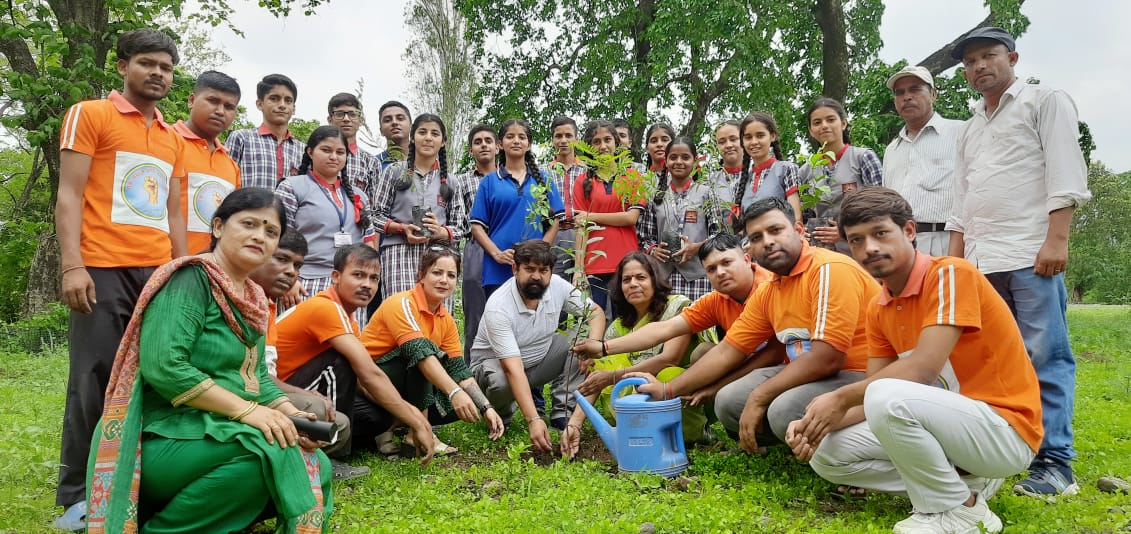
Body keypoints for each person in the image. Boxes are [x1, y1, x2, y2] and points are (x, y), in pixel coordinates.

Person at [787, 187, 1042, 534]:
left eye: (880, 233)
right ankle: (962, 488)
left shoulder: (951, 274)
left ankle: (961, 512)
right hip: (950, 433)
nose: (870, 248)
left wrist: (838, 397)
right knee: (827, 454)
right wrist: (816, 425)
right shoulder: (878, 308)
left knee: (886, 394)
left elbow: (921, 371)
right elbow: (871, 400)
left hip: (1003, 431)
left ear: (909, 231)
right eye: (857, 240)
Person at [85, 187, 332, 533]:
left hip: (221, 429)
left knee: (313, 461)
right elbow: (165, 366)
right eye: (249, 223)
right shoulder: (190, 279)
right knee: (260, 458)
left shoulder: (254, 297)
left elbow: (256, 375)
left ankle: (221, 516)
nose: (259, 236)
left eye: (270, 231)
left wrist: (290, 415)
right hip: (165, 433)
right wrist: (248, 411)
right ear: (218, 227)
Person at [947, 26, 1091, 498]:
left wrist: (1057, 240)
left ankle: (1055, 465)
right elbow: (962, 199)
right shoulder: (970, 126)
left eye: (988, 57)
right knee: (992, 361)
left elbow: (1066, 171)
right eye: (970, 62)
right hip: (981, 259)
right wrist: (955, 263)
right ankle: (1006, 450)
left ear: (1012, 57)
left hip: (1030, 254)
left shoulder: (1044, 100)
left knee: (1044, 356)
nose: (979, 68)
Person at [53, 28, 188, 530]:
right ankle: (78, 496)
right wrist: (72, 264)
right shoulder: (91, 115)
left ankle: (131, 481)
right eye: (147, 63)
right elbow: (69, 194)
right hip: (102, 266)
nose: (157, 73)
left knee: (152, 377)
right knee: (94, 377)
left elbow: (174, 213)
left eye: (166, 67)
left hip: (156, 273)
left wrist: (179, 271)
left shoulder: (173, 137)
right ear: (122, 66)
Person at [630, 197, 880, 454]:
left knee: (784, 409)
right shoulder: (771, 288)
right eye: (757, 237)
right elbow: (728, 350)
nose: (768, 242)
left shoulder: (828, 270)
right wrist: (668, 389)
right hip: (810, 372)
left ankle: (858, 445)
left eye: (776, 230)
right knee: (729, 401)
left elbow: (827, 358)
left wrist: (760, 397)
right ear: (751, 248)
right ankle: (798, 441)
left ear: (798, 230)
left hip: (859, 374)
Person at [275, 244, 436, 472]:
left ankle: (339, 438)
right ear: (336, 277)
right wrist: (417, 420)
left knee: (378, 416)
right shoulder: (325, 308)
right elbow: (369, 374)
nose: (366, 285)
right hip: (279, 393)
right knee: (340, 361)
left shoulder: (349, 320)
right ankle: (328, 457)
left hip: (301, 387)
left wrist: (402, 413)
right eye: (358, 275)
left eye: (373, 278)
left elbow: (362, 383)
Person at [571, 234, 774, 403]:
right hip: (744, 359)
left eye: (727, 263)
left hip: (786, 364)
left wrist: (670, 389)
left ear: (747, 259)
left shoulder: (770, 289)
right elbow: (664, 329)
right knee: (705, 357)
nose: (720, 272)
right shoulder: (716, 300)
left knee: (708, 382)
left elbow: (769, 352)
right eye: (711, 269)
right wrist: (603, 348)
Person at [356, 242, 504, 454]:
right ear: (421, 276)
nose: (444, 280)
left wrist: (486, 407)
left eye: (451, 275)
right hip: (368, 382)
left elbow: (459, 369)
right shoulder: (401, 303)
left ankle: (394, 425)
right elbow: (417, 351)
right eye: (437, 273)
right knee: (423, 351)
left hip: (402, 383)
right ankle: (419, 432)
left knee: (466, 400)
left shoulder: (447, 320)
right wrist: (453, 392)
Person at [249, 230, 367, 478]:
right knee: (326, 410)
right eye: (281, 260)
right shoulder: (324, 307)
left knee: (345, 422)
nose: (291, 272)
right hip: (247, 398)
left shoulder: (267, 303)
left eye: (297, 266)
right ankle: (328, 459)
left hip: (270, 388)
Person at [562, 252, 706, 454]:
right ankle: (634, 429)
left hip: (676, 396)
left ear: (654, 281)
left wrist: (612, 377)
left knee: (668, 376)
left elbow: (669, 359)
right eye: (626, 279)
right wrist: (574, 423)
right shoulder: (619, 327)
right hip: (635, 409)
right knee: (603, 361)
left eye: (641, 277)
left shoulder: (677, 307)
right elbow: (597, 377)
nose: (633, 284)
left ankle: (694, 433)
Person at [471, 240, 606, 449]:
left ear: (551, 272)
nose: (536, 276)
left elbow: (594, 312)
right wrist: (533, 420)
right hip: (496, 367)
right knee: (500, 380)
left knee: (583, 340)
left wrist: (594, 345)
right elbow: (512, 369)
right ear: (515, 269)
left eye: (543, 270)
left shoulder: (558, 286)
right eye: (529, 269)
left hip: (538, 359)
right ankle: (501, 415)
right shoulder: (498, 306)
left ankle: (563, 413)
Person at [275, 126, 377, 325]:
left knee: (348, 348)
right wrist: (288, 280)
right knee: (306, 349)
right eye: (326, 150)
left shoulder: (359, 195)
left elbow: (369, 243)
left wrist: (368, 281)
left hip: (350, 285)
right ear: (310, 151)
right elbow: (278, 236)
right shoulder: (292, 187)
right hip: (305, 283)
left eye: (340, 152)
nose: (334, 157)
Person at [372, 113, 469, 301]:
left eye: (435, 134)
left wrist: (441, 231)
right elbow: (375, 215)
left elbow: (461, 227)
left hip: (439, 255)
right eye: (422, 132)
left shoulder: (451, 181)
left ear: (443, 142)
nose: (428, 138)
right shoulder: (394, 172)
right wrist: (401, 228)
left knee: (435, 313)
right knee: (401, 309)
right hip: (399, 252)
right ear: (413, 138)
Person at [470, 118, 563, 297]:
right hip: (498, 269)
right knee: (500, 321)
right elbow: (476, 226)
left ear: (528, 145)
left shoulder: (544, 180)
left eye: (522, 137)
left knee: (535, 320)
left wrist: (540, 253)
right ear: (501, 144)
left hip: (534, 269)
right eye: (510, 137)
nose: (516, 141)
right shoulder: (489, 182)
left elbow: (555, 222)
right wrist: (497, 254)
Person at [882, 65, 963, 256]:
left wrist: (957, 254)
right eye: (899, 92)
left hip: (946, 241)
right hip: (901, 244)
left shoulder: (960, 132)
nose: (907, 97)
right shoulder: (892, 149)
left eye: (915, 89)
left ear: (933, 94)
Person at [573, 119, 646, 313]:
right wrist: (579, 269)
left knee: (626, 319)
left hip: (626, 261)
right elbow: (581, 226)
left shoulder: (632, 177)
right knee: (592, 319)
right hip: (593, 262)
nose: (603, 146)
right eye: (596, 142)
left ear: (616, 143)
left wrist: (591, 216)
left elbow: (631, 218)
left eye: (607, 140)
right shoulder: (582, 181)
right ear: (589, 147)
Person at [637, 137, 718, 302]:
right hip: (664, 276)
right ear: (665, 161)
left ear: (695, 161)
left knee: (699, 323)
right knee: (667, 322)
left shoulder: (706, 193)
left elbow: (718, 234)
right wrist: (653, 249)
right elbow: (644, 236)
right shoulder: (656, 195)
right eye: (673, 157)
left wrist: (696, 247)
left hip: (699, 274)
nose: (679, 162)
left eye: (685, 157)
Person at [797, 98, 883, 252]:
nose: (824, 126)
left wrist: (846, 233)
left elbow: (880, 208)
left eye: (830, 120)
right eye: (817, 122)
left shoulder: (863, 158)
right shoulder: (805, 170)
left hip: (862, 251)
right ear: (810, 130)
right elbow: (803, 215)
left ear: (843, 123)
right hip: (820, 254)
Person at [174, 70, 241, 255]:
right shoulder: (167, 141)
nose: (220, 111)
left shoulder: (231, 166)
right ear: (191, 100)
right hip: (160, 263)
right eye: (213, 101)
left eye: (229, 106)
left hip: (208, 269)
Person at [456, 124, 500, 360]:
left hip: (506, 248)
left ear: (497, 146)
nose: (483, 145)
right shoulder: (461, 182)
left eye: (488, 140)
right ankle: (471, 376)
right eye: (477, 141)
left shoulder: (510, 178)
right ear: (471, 149)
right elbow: (459, 219)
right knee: (475, 315)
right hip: (476, 248)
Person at [226, 74, 304, 190]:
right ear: (260, 104)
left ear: (294, 108)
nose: (282, 105)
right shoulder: (241, 138)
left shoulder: (303, 150)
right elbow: (225, 182)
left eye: (288, 101)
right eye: (274, 99)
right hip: (248, 208)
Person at [733, 112, 802, 221]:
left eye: (760, 135)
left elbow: (796, 218)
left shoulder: (787, 170)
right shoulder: (740, 181)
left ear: (772, 136)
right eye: (748, 137)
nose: (754, 142)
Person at [547, 115, 587, 278]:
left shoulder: (587, 170)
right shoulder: (543, 172)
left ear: (576, 139)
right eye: (558, 136)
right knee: (555, 282)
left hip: (583, 232)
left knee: (583, 283)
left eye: (568, 136)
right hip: (555, 233)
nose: (563, 140)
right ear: (552, 140)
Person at [326, 92, 380, 195]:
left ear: (360, 121)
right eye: (339, 114)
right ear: (330, 120)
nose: (346, 119)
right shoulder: (317, 156)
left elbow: (374, 206)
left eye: (352, 114)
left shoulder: (371, 163)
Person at [708, 120, 744, 198]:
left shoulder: (761, 175)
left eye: (733, 139)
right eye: (722, 142)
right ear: (716, 146)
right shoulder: (709, 184)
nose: (728, 145)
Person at [374, 100, 411, 171]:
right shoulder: (374, 164)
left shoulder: (426, 159)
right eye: (387, 120)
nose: (394, 122)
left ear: (411, 126)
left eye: (400, 118)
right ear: (381, 130)